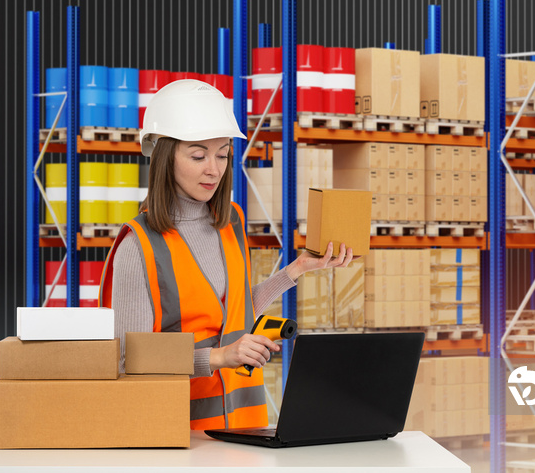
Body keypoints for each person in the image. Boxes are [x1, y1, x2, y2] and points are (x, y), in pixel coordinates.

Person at [99, 79, 354, 431]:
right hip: (177, 430)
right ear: (163, 156)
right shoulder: (139, 246)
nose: (214, 169)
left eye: (222, 154)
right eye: (198, 155)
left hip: (243, 427)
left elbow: (234, 311)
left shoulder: (230, 221)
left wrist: (295, 270)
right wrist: (219, 357)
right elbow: (130, 359)